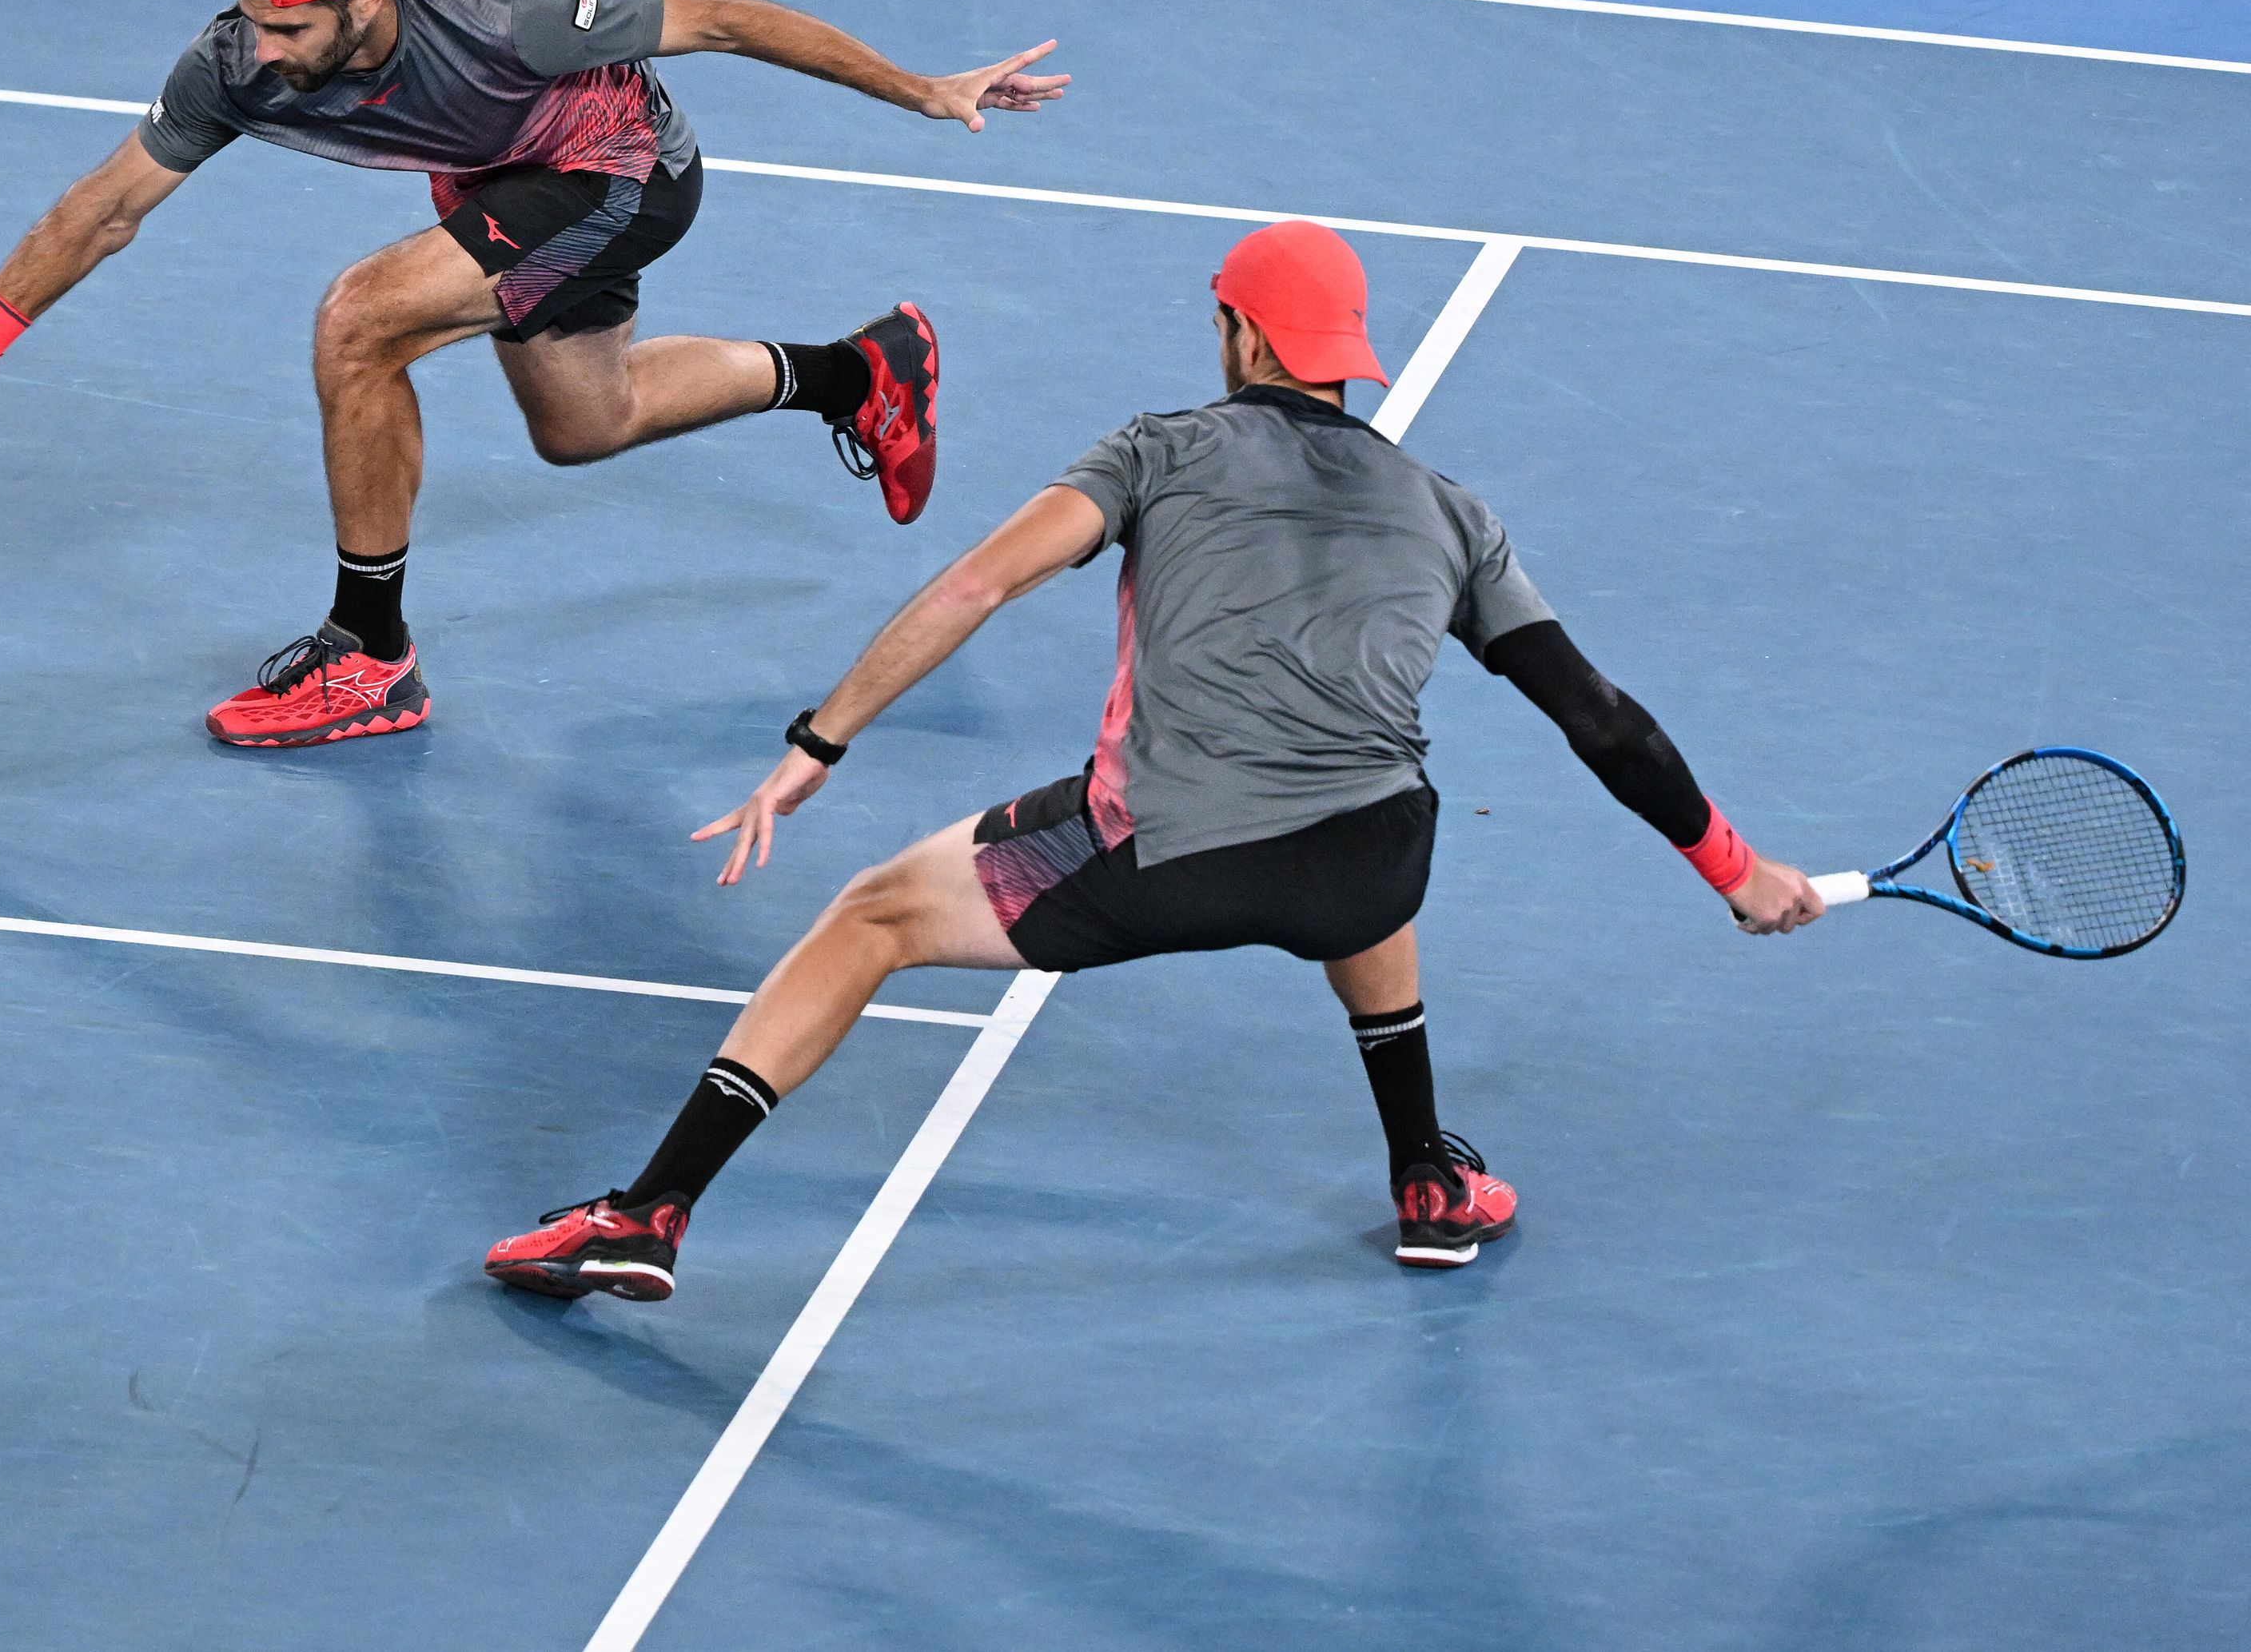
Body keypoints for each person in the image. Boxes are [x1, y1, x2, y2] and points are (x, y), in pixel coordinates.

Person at [484, 219, 1826, 1299]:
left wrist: (819, 740)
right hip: (1369, 867)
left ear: (1240, 332)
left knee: (869, 916)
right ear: (1349, 356)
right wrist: (1736, 869)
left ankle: (648, 1212)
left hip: (1161, 859)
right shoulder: (1452, 514)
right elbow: (1601, 719)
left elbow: (974, 586)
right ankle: (1426, 1177)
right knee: (1362, 795)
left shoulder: (1160, 451)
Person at [0, 0, 1067, 746]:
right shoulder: (232, 63)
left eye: (293, 28)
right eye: (253, 22)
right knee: (587, 424)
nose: (265, 50)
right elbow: (104, 209)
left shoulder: (515, 8)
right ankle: (860, 374)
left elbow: (729, 20)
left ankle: (369, 656)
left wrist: (923, 90)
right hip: (496, 182)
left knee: (360, 321)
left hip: (620, 169)